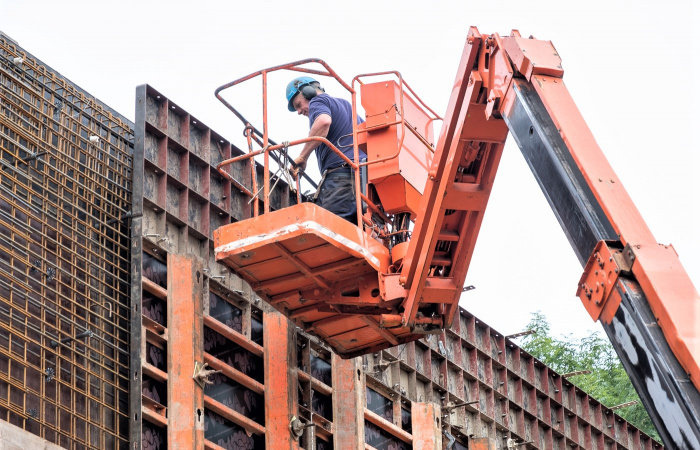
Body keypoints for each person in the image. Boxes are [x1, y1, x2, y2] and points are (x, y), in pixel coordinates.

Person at [286, 76, 366, 223]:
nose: (298, 111)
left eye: (298, 104)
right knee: (362, 235)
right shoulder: (347, 106)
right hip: (365, 182)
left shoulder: (318, 101)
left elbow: (323, 121)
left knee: (330, 230)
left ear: (308, 92)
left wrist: (303, 157)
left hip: (341, 179)